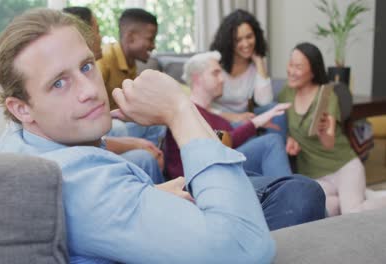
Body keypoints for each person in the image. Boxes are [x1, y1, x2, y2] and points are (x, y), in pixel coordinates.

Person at [0, 8, 275, 263]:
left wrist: (152, 194)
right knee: (297, 195)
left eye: (86, 67)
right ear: (21, 109)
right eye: (58, 83)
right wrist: (179, 110)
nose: (90, 90)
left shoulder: (18, 140)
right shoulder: (84, 184)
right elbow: (246, 248)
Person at [164, 51, 326, 230]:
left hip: (228, 168)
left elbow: (228, 141)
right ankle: (290, 194)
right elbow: (213, 146)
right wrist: (257, 122)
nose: (223, 79)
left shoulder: (219, 118)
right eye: (215, 73)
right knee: (270, 142)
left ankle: (290, 196)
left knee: (272, 141)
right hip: (196, 180)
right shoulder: (185, 112)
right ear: (197, 78)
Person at [278, 42, 386, 216]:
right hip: (315, 176)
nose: (291, 71)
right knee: (326, 209)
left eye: (298, 67)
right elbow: (283, 124)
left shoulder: (327, 96)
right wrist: (289, 138)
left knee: (352, 214)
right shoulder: (286, 93)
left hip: (343, 166)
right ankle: (362, 195)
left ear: (313, 71)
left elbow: (329, 143)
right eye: (290, 64)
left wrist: (323, 131)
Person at [63, 6, 164, 183]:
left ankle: (156, 164)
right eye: (97, 31)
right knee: (121, 128)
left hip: (104, 130)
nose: (101, 37)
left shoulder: (128, 64)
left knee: (155, 123)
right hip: (105, 129)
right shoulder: (101, 65)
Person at [210, 9, 286, 138]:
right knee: (239, 132)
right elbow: (199, 107)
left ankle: (278, 147)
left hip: (244, 118)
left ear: (256, 36)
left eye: (249, 37)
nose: (245, 44)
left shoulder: (255, 65)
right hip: (216, 121)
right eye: (238, 40)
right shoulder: (214, 62)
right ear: (229, 41)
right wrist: (233, 117)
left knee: (276, 110)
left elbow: (265, 102)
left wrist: (258, 61)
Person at [96, 7, 165, 146]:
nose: (153, 46)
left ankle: (152, 155)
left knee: (158, 121)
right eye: (150, 39)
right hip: (102, 127)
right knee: (119, 127)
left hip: (119, 123)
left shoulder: (131, 64)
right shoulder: (104, 60)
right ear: (130, 37)